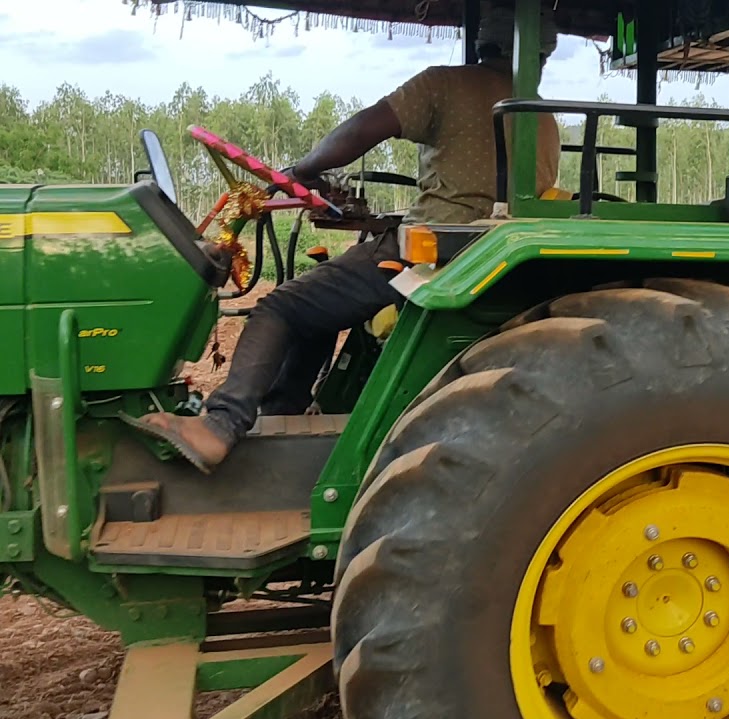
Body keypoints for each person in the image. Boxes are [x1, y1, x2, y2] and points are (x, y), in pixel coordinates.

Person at [133, 8, 563, 472]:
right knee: (315, 310)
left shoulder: (446, 83)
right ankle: (282, 413)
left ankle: (221, 423)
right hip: (485, 251)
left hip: (432, 251)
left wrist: (302, 171)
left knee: (279, 308)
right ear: (541, 55)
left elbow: (362, 129)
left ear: (483, 45)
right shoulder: (543, 117)